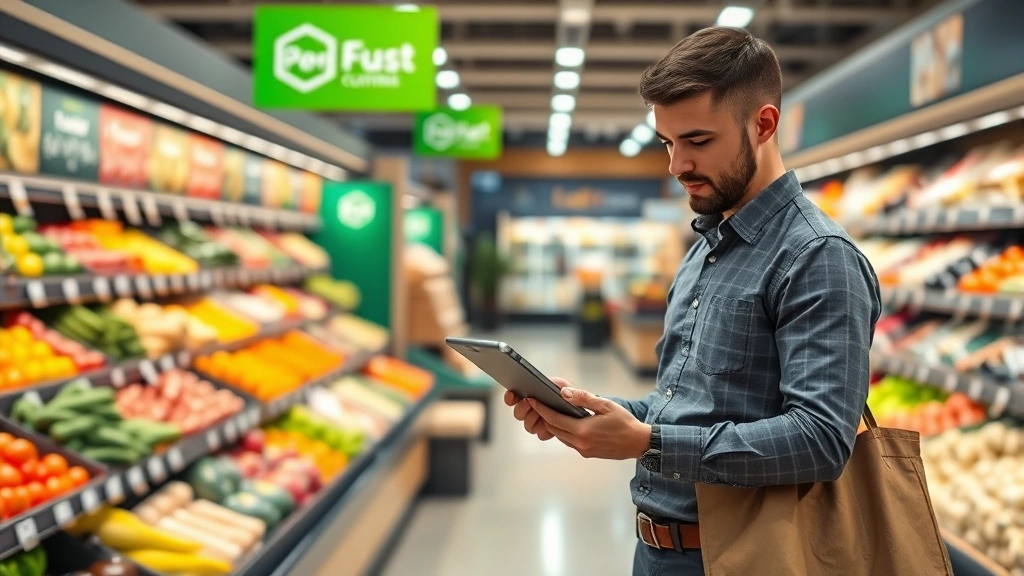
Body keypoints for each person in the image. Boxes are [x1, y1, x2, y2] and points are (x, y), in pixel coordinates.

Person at [505, 26, 881, 576]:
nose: (676, 164)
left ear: (764, 124)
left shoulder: (817, 256)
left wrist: (650, 442)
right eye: (668, 143)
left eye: (698, 141)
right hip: (657, 549)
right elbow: (688, 404)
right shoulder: (705, 247)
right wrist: (596, 413)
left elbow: (821, 439)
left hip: (745, 555)